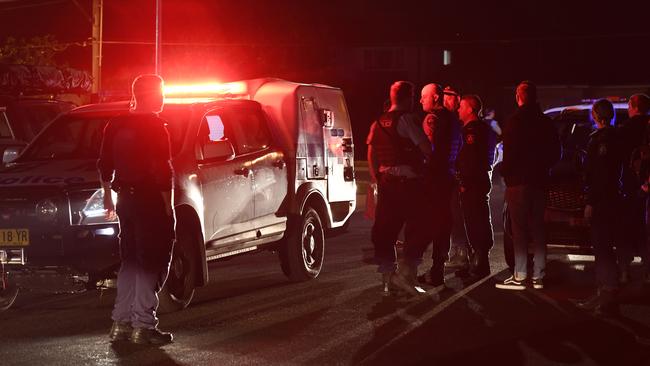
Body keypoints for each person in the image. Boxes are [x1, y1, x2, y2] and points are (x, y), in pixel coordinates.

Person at [98, 74, 176, 344]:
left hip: (125, 202)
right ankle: (143, 325)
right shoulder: (156, 127)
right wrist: (168, 205)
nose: (163, 98)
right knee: (153, 260)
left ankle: (121, 324)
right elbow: (161, 169)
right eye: (161, 92)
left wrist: (108, 194)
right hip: (149, 201)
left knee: (130, 260)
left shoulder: (116, 124)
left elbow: (105, 162)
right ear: (151, 95)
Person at [366, 81, 433, 296]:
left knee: (385, 231)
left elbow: (371, 153)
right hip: (408, 183)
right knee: (420, 228)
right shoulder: (407, 119)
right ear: (409, 97)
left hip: (386, 182)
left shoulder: (377, 122)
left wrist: (377, 177)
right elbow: (426, 148)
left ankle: (387, 281)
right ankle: (406, 274)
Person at [496, 81, 560, 290]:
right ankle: (539, 275)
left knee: (519, 229)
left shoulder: (515, 122)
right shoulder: (545, 122)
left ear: (519, 96)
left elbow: (510, 153)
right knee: (539, 228)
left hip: (519, 182)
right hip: (540, 181)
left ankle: (521, 274)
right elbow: (555, 153)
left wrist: (505, 171)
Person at [575, 99, 623, 315]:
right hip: (614, 199)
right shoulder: (619, 137)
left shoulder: (599, 140)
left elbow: (599, 175)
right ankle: (604, 293)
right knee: (606, 248)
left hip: (602, 201)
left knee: (602, 248)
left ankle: (607, 295)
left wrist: (590, 202)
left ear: (595, 114)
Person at [416, 83, 462, 286]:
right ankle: (438, 269)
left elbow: (429, 150)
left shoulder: (432, 119)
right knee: (444, 224)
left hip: (434, 178)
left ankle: (420, 269)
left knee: (430, 223)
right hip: (449, 176)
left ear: (435, 97)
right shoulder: (453, 118)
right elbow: (458, 146)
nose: (420, 101)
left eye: (423, 97)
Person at [456, 95, 495, 278]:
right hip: (474, 181)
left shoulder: (474, 130)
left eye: (461, 106)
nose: (458, 110)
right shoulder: (477, 129)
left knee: (476, 220)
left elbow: (471, 160)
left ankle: (480, 262)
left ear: (470, 109)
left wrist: (464, 181)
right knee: (473, 220)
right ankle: (476, 260)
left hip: (473, 182)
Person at [617, 93, 650, 283]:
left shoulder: (624, 129)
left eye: (629, 105)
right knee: (646, 231)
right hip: (647, 188)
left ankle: (624, 270)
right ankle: (647, 270)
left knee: (626, 229)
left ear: (634, 106)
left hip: (628, 188)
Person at [443, 86, 471, 271]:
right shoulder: (451, 121)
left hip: (453, 176)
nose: (451, 102)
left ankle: (461, 253)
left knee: (455, 216)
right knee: (452, 216)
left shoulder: (454, 122)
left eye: (451, 98)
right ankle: (459, 252)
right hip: (451, 175)